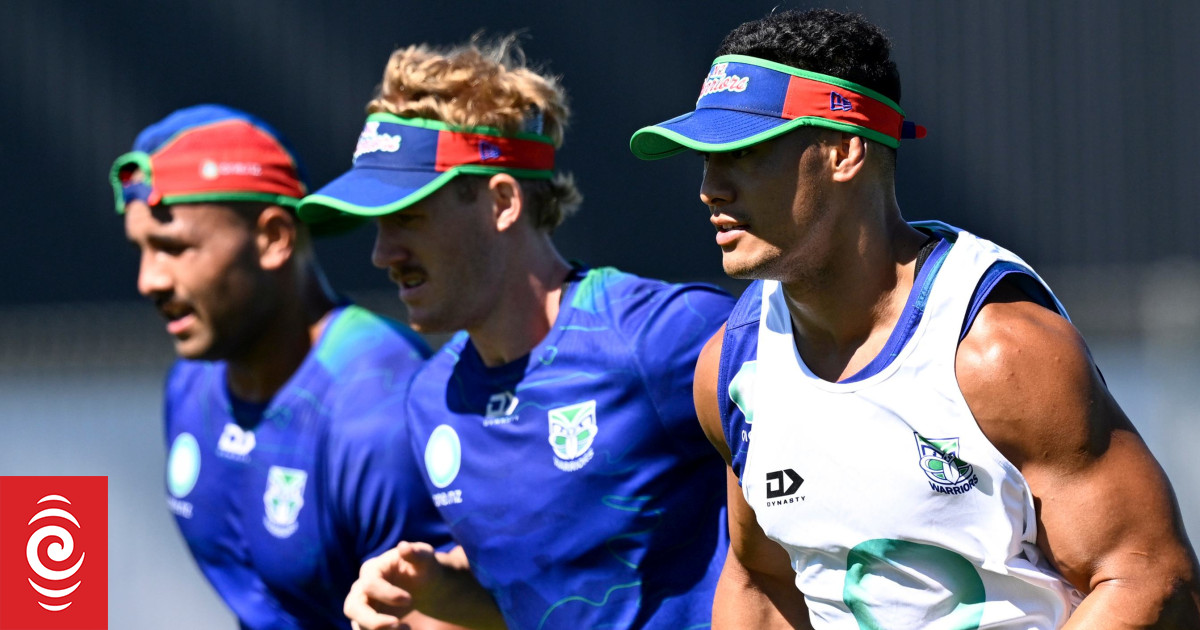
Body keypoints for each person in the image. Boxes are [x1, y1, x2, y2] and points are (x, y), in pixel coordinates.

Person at [629, 8, 1200, 629]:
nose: (710, 188)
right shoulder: (733, 368)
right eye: (704, 159)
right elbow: (762, 580)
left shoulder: (998, 352)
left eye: (742, 152)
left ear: (843, 151)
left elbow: (1151, 581)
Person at [297, 38, 734, 630]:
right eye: (377, 226)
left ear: (502, 202)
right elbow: (529, 601)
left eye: (407, 217)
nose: (382, 254)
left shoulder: (660, 336)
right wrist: (431, 589)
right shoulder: (432, 399)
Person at [110, 104, 459, 630]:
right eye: (141, 249)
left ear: (274, 238)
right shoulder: (192, 383)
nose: (149, 281)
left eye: (173, 248)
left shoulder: (380, 412)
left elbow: (443, 620)